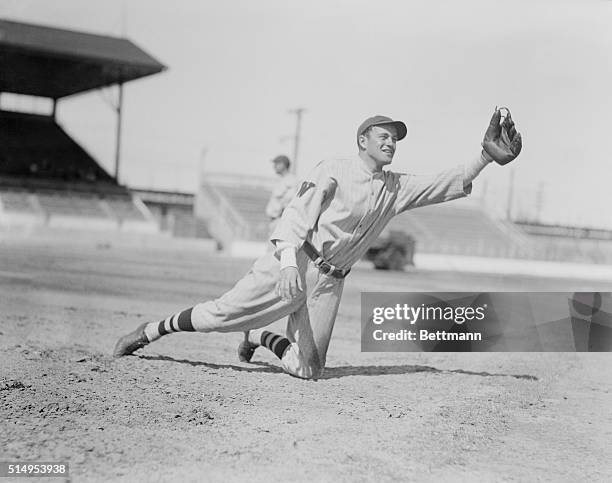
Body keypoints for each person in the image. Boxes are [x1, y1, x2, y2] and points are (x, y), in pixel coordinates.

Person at [114, 109, 522, 380]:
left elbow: (442, 183)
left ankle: (259, 338)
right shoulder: (334, 169)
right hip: (292, 264)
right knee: (219, 315)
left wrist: (485, 157)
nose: (391, 143)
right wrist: (289, 263)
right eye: (383, 136)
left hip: (329, 283)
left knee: (310, 371)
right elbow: (295, 215)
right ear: (362, 140)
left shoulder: (396, 188)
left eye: (395, 139)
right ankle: (149, 331)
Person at [265, 154, 297, 231]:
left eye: (276, 164)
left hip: (281, 220)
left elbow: (289, 200)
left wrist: (282, 216)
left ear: (283, 165)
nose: (274, 166)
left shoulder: (291, 180)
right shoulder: (282, 180)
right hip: (275, 220)